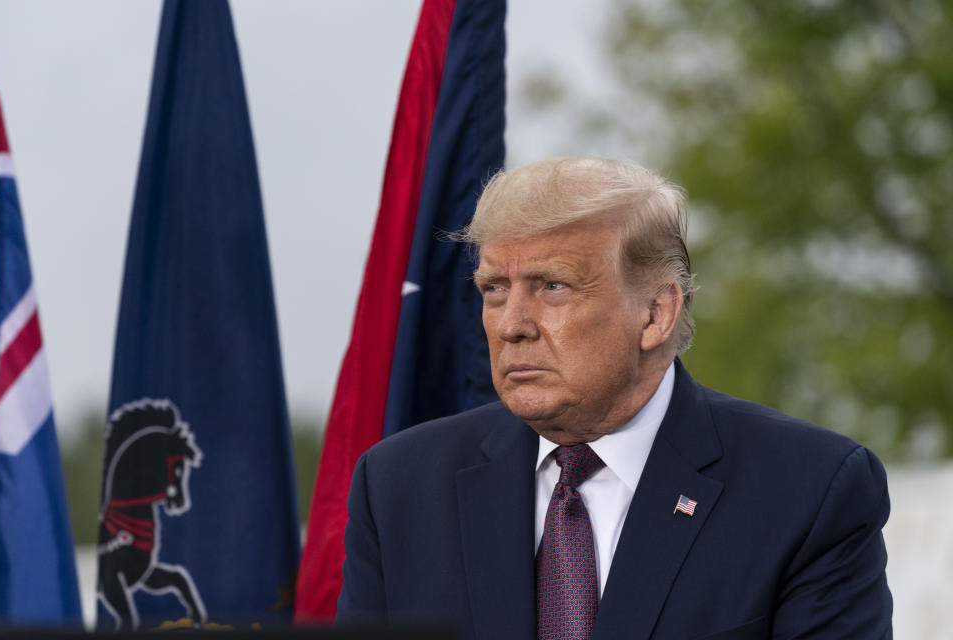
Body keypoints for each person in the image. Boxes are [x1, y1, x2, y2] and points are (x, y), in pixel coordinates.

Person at [335, 157, 892, 639]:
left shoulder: (809, 490)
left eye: (552, 286)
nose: (511, 326)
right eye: (494, 290)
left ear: (655, 313)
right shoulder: (398, 487)